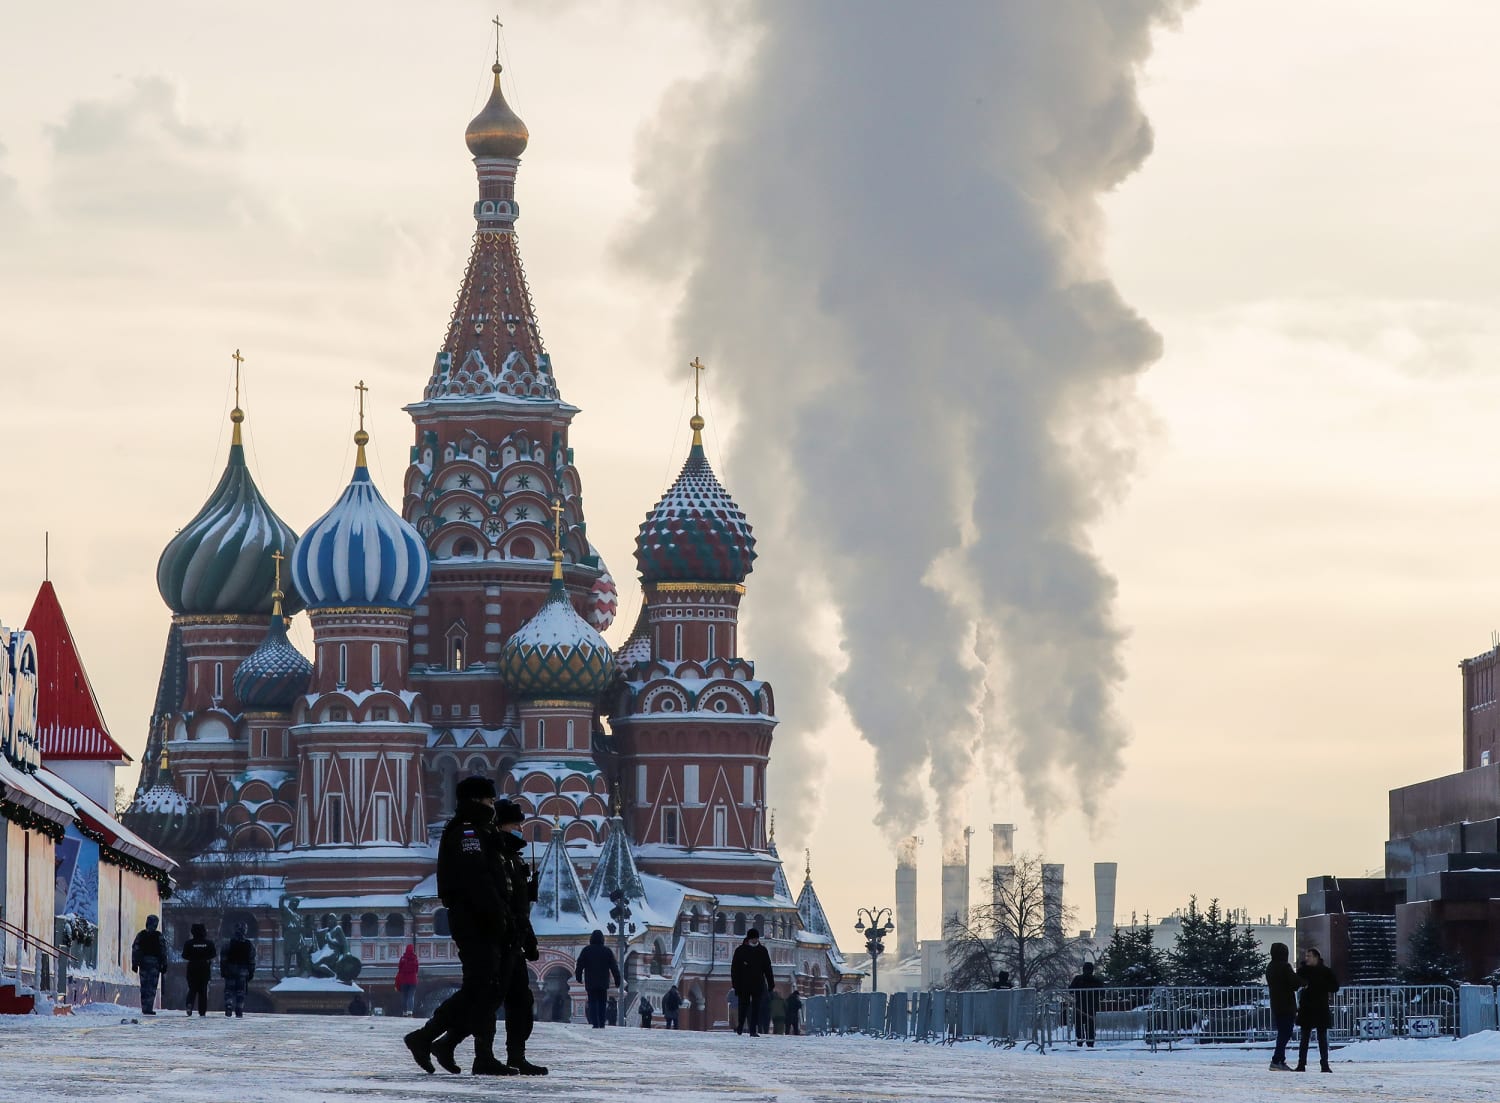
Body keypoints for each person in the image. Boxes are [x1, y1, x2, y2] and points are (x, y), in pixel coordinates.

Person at [405, 775, 513, 1077]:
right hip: (475, 920)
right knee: (478, 988)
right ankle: (426, 1037)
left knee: (485, 989)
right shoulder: (468, 833)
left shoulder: (478, 830)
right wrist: (497, 917)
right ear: (476, 801)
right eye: (489, 800)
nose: (493, 805)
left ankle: (455, 1046)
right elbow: (477, 880)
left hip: (480, 919)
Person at [1295, 947, 1339, 1073]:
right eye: (1306, 956)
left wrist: (1321, 986)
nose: (1306, 958)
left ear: (1316, 957)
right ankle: (1301, 1064)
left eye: (1309, 956)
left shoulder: (1325, 972)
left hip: (1320, 1007)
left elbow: (1335, 986)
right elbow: (1296, 983)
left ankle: (1324, 1064)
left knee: (1322, 1038)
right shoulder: (1303, 971)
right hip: (1307, 1007)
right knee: (1304, 1038)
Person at [730, 928, 775, 1037]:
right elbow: (734, 969)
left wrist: (771, 983)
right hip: (743, 984)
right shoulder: (740, 950)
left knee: (756, 1007)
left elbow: (767, 968)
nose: (755, 940)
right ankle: (740, 1025)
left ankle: (752, 1030)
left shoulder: (762, 951)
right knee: (743, 1006)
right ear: (749, 938)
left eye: (756, 938)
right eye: (753, 938)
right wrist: (735, 984)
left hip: (758, 983)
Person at [1266, 942, 1303, 1071]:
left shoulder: (1270, 967)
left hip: (1276, 1004)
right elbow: (1294, 983)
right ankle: (1277, 1059)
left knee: (1282, 1032)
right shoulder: (1285, 967)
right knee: (1285, 1033)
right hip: (1287, 1004)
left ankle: (1280, 1059)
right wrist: (1303, 981)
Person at [575, 930, 622, 1028]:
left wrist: (578, 976)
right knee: (602, 1002)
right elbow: (614, 967)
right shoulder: (607, 951)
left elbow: (580, 965)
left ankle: (595, 1023)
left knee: (592, 1002)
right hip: (603, 982)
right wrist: (618, 979)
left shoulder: (586, 950)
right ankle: (602, 1022)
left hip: (590, 981)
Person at [131, 915, 167, 1015]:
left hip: (143, 963)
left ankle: (145, 1008)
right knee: (151, 987)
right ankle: (148, 1008)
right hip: (155, 964)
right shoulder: (158, 935)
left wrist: (135, 963)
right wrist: (164, 964)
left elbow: (135, 949)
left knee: (144, 986)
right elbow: (163, 951)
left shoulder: (141, 935)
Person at [220, 923, 256, 1018]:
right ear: (245, 931)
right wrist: (251, 972)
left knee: (229, 991)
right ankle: (239, 1009)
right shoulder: (249, 944)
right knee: (241, 992)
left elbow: (223, 959)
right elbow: (251, 960)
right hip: (243, 971)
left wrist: (223, 971)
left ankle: (229, 1004)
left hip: (230, 970)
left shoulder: (228, 943)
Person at [180, 922, 216, 1017]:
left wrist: (193, 957)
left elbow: (184, 955)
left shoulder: (189, 943)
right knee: (203, 991)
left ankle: (189, 1005)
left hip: (192, 968)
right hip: (204, 968)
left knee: (192, 989)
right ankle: (202, 1011)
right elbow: (213, 955)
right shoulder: (209, 943)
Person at [1069, 961, 1104, 1048]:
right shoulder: (1096, 980)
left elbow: (1070, 990)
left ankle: (1080, 1042)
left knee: (1079, 1025)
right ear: (1092, 970)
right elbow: (1102, 992)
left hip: (1079, 1006)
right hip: (1092, 1006)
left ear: (1083, 969)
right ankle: (1090, 1042)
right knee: (1091, 1025)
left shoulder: (1078, 979)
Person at [395, 944, 420, 1017]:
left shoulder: (403, 958)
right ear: (412, 950)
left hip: (404, 980)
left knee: (404, 996)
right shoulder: (415, 958)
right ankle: (410, 1012)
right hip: (412, 980)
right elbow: (416, 969)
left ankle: (404, 1012)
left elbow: (399, 968)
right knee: (411, 996)